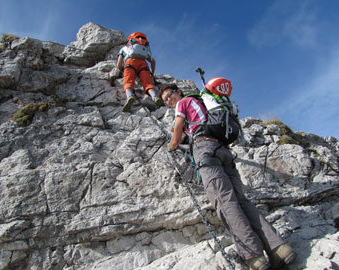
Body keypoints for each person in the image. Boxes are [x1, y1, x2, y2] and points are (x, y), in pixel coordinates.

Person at [159, 82, 295, 270]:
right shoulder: (202, 103)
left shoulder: (183, 103)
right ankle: (279, 248)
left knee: (225, 202)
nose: (168, 100)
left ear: (178, 92)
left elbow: (177, 130)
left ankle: (254, 256)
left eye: (169, 95)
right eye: (165, 100)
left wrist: (171, 146)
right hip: (222, 150)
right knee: (241, 200)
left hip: (205, 150)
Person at [117, 32, 163, 112]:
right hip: (143, 63)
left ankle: (130, 96)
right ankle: (155, 96)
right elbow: (153, 61)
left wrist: (122, 69)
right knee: (148, 84)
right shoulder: (143, 49)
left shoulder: (124, 48)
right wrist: (151, 72)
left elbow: (118, 64)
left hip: (130, 62)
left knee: (128, 82)